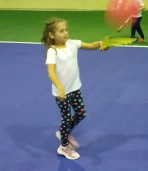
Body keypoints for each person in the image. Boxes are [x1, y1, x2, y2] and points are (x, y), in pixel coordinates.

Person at [41, 18, 106, 160]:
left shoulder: (72, 44)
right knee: (66, 118)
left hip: (74, 89)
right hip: (62, 93)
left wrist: (100, 43)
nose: (65, 33)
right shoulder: (52, 51)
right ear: (51, 35)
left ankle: (63, 132)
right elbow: (51, 72)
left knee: (81, 113)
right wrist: (60, 88)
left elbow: (90, 46)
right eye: (61, 31)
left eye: (66, 30)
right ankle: (63, 146)